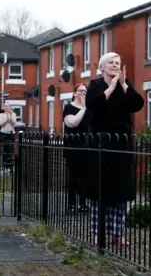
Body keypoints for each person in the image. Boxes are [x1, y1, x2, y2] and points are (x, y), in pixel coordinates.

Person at [85, 52, 144, 246]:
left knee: (120, 190)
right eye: (110, 62)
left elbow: (137, 104)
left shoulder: (125, 86)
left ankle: (118, 233)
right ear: (102, 67)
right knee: (99, 191)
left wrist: (124, 84)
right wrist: (110, 88)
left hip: (121, 144)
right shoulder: (95, 86)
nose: (115, 65)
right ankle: (98, 232)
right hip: (100, 143)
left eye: (118, 62)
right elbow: (93, 105)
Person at [62, 84, 91, 215]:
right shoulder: (69, 107)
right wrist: (84, 107)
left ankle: (84, 205)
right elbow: (72, 123)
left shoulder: (89, 110)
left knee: (86, 177)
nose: (83, 93)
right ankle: (71, 205)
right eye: (80, 91)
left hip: (86, 147)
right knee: (74, 177)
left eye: (85, 91)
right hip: (72, 147)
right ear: (74, 93)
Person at [0, 102, 16, 174]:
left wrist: (10, 117)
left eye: (7, 106)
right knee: (5, 150)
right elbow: (1, 124)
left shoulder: (13, 114)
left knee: (10, 150)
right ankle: (5, 167)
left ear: (10, 107)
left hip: (11, 134)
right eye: (5, 106)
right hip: (3, 133)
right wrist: (6, 120)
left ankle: (10, 167)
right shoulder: (1, 114)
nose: (6, 107)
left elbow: (14, 123)